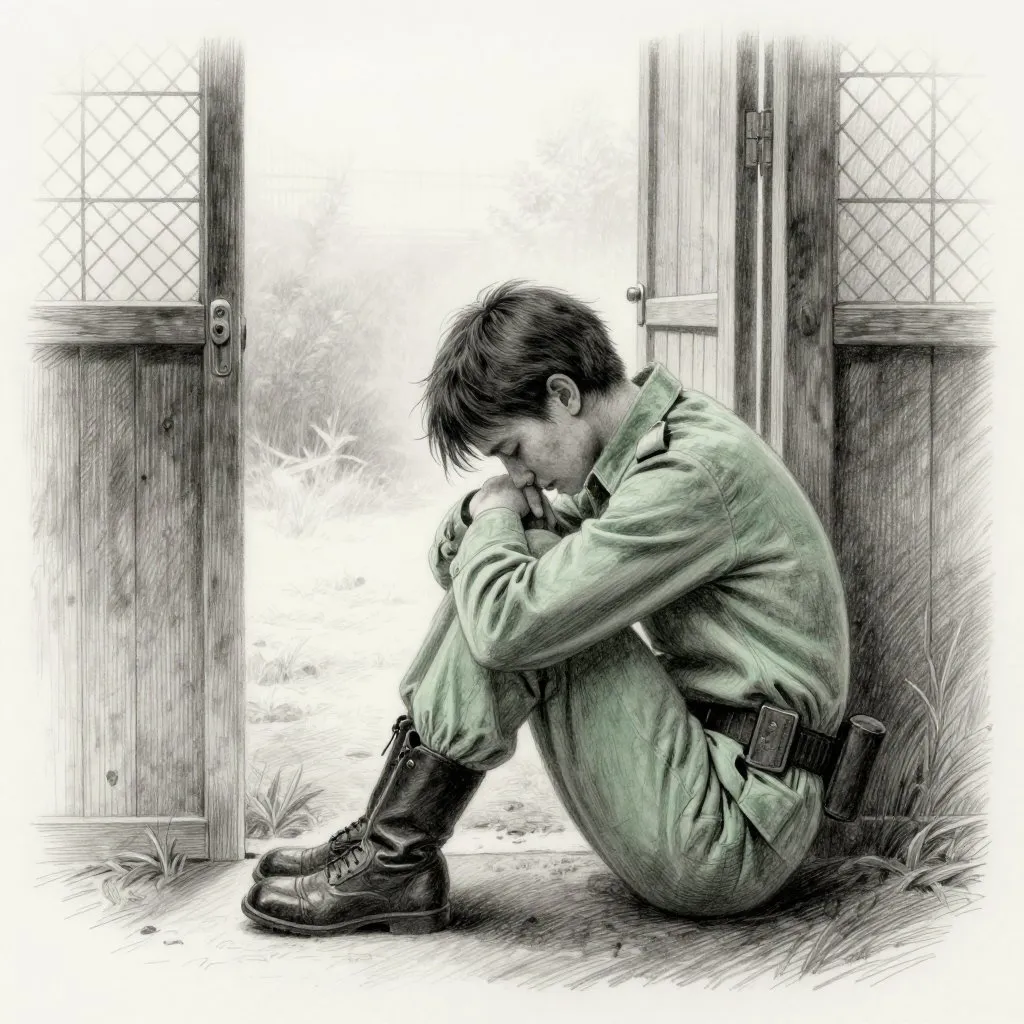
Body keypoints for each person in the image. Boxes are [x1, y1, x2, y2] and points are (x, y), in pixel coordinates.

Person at [241, 281, 850, 936]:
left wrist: (497, 518)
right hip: (709, 779)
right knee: (517, 574)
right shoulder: (646, 449)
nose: (518, 474)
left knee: (519, 601)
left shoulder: (688, 475)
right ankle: (389, 842)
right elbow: (463, 572)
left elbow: (507, 627)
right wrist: (483, 511)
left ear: (563, 395)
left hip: (732, 833)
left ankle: (396, 854)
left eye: (512, 449)